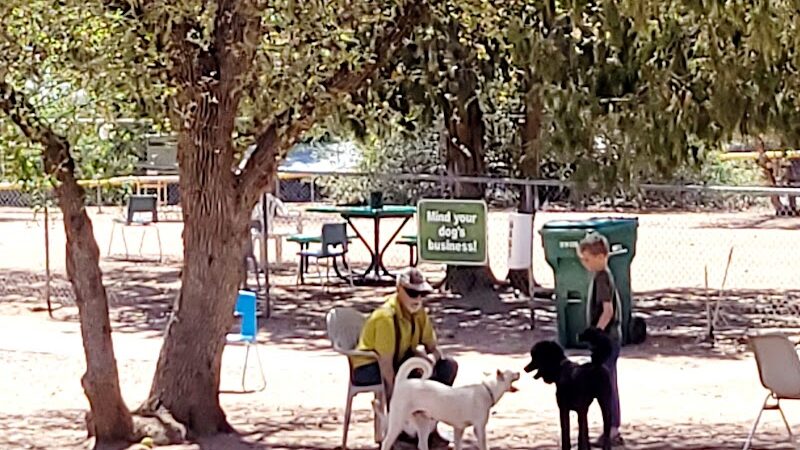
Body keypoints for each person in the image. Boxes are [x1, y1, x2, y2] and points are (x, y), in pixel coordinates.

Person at [350, 267, 458, 448]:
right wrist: (397, 398)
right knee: (411, 378)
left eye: (421, 294)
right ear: (399, 289)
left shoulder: (420, 313)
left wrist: (430, 360)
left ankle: (430, 429)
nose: (417, 299)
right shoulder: (386, 318)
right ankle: (399, 431)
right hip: (369, 367)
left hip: (401, 362)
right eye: (412, 293)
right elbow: (385, 363)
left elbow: (434, 349)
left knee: (447, 367)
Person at [577, 232, 625, 448]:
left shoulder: (602, 277)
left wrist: (596, 332)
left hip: (607, 340)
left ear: (600, 256)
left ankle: (613, 429)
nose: (584, 264)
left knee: (607, 384)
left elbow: (608, 310)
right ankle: (611, 427)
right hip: (607, 340)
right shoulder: (601, 275)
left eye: (587, 259)